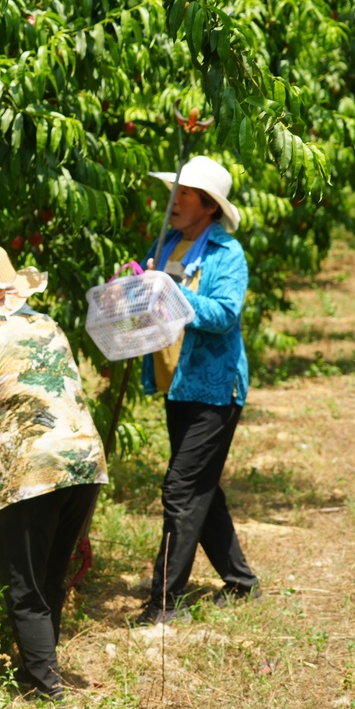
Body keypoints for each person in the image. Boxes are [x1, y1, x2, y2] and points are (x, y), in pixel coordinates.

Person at [0, 243, 108, 701]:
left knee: (23, 582)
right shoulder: (48, 325)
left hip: (30, 470)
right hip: (84, 462)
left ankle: (44, 684)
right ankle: (41, 667)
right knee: (51, 572)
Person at [135, 155, 259, 626]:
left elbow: (224, 313)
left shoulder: (227, 254)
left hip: (214, 388)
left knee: (181, 489)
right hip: (176, 385)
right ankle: (242, 583)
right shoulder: (165, 244)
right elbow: (148, 301)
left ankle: (165, 603)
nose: (174, 201)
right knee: (202, 487)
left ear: (207, 205)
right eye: (175, 191)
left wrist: (170, 290)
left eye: (184, 193)